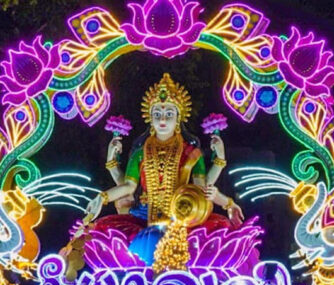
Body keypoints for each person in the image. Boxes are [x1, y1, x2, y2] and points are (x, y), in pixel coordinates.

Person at [78, 73, 243, 273]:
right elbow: (129, 186)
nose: (162, 120)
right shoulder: (140, 152)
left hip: (182, 215)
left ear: (178, 118)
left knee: (219, 232)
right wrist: (102, 197)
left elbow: (202, 188)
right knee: (104, 233)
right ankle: (142, 283)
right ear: (150, 119)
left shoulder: (191, 152)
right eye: (157, 114)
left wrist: (225, 192)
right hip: (144, 215)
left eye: (168, 114)